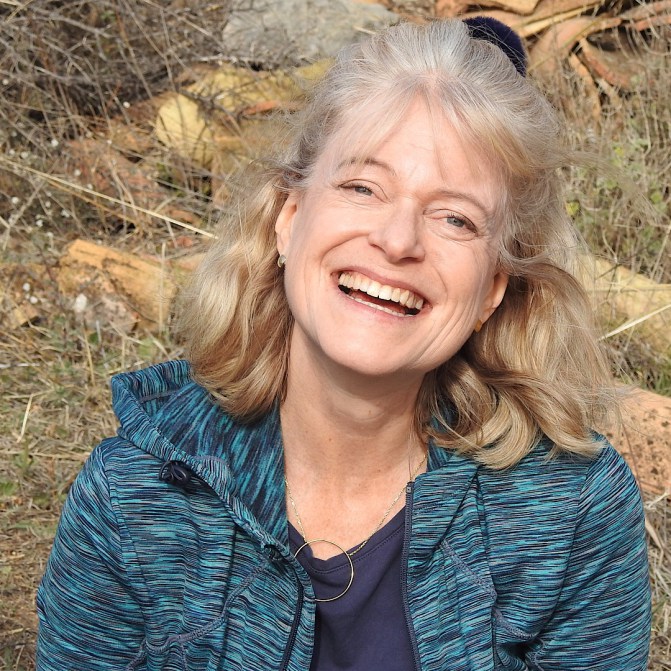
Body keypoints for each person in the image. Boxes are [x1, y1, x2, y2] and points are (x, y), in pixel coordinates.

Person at [36, 17, 651, 671]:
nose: (397, 240)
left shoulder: (570, 510)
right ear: (288, 219)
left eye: (454, 218)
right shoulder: (134, 497)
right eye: (362, 187)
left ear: (492, 291)